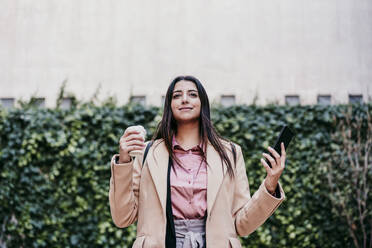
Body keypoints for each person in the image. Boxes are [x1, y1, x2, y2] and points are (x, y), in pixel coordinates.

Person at [109, 75, 286, 248]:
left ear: (203, 103)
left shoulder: (230, 153)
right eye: (177, 95)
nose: (184, 99)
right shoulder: (147, 153)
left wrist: (270, 184)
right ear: (169, 105)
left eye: (192, 94)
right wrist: (124, 160)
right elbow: (123, 217)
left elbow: (242, 224)